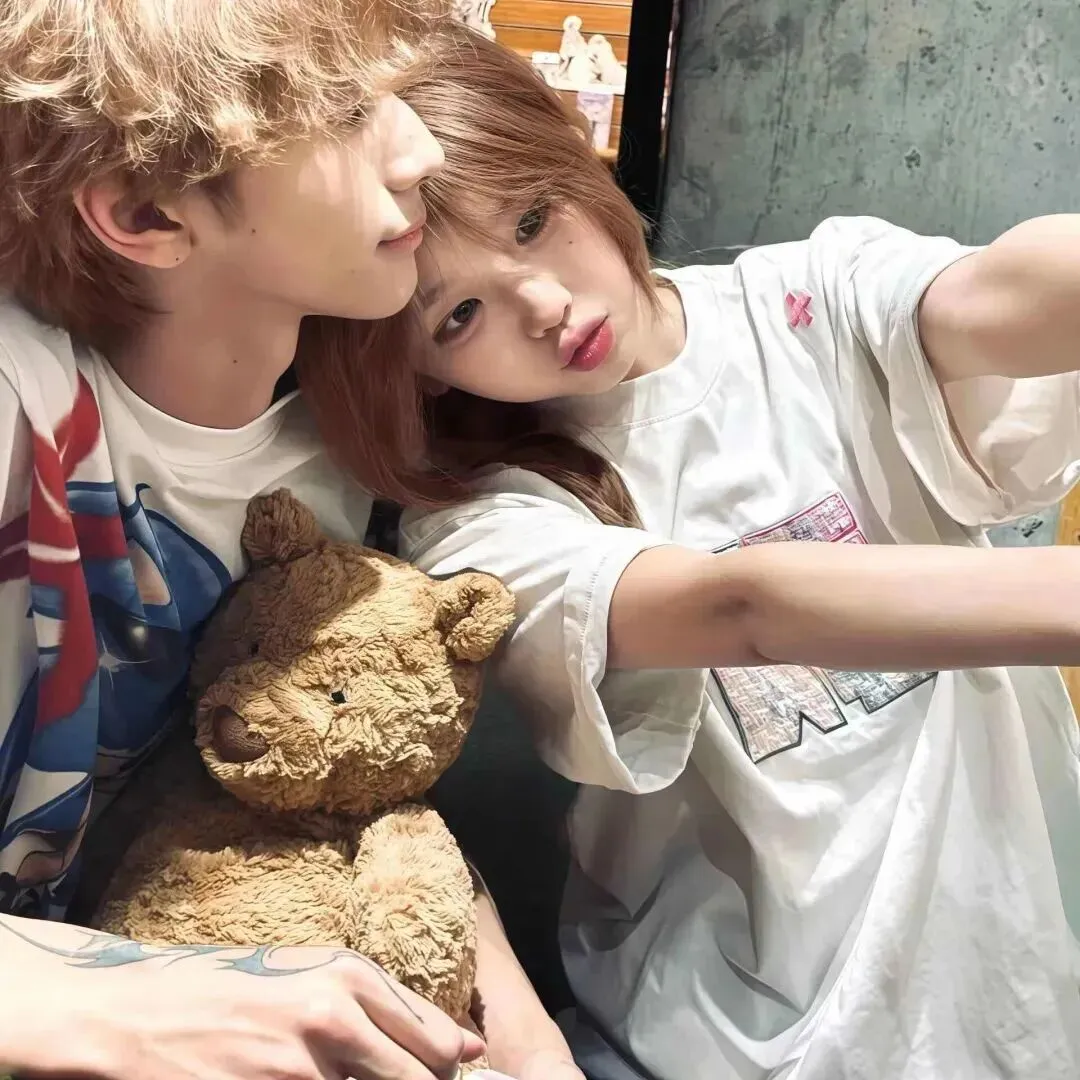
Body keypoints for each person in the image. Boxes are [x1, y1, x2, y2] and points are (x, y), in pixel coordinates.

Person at [298, 23, 1080, 1080]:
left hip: (1015, 991)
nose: (544, 304)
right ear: (419, 367)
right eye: (461, 314)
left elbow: (999, 297)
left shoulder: (807, 300)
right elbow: (741, 606)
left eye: (532, 218)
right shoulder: (484, 528)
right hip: (729, 1041)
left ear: (576, 161)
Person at [0, 5, 580, 1080]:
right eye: (350, 113)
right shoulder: (21, 401)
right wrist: (121, 1001)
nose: (421, 150)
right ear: (146, 213)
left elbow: (350, 780)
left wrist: (531, 1041)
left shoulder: (335, 453)